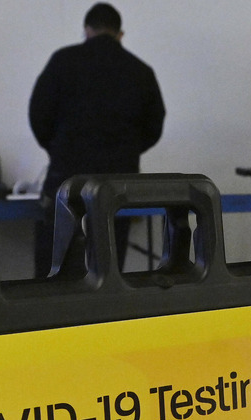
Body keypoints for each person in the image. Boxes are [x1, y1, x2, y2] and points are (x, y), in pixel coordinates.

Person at [29, 2, 166, 277]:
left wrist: (57, 150)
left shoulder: (62, 62)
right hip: (118, 184)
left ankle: (49, 318)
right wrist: (127, 152)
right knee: (108, 270)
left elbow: (38, 115)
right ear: (120, 34)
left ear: (87, 30)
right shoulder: (140, 71)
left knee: (54, 267)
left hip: (67, 177)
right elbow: (154, 126)